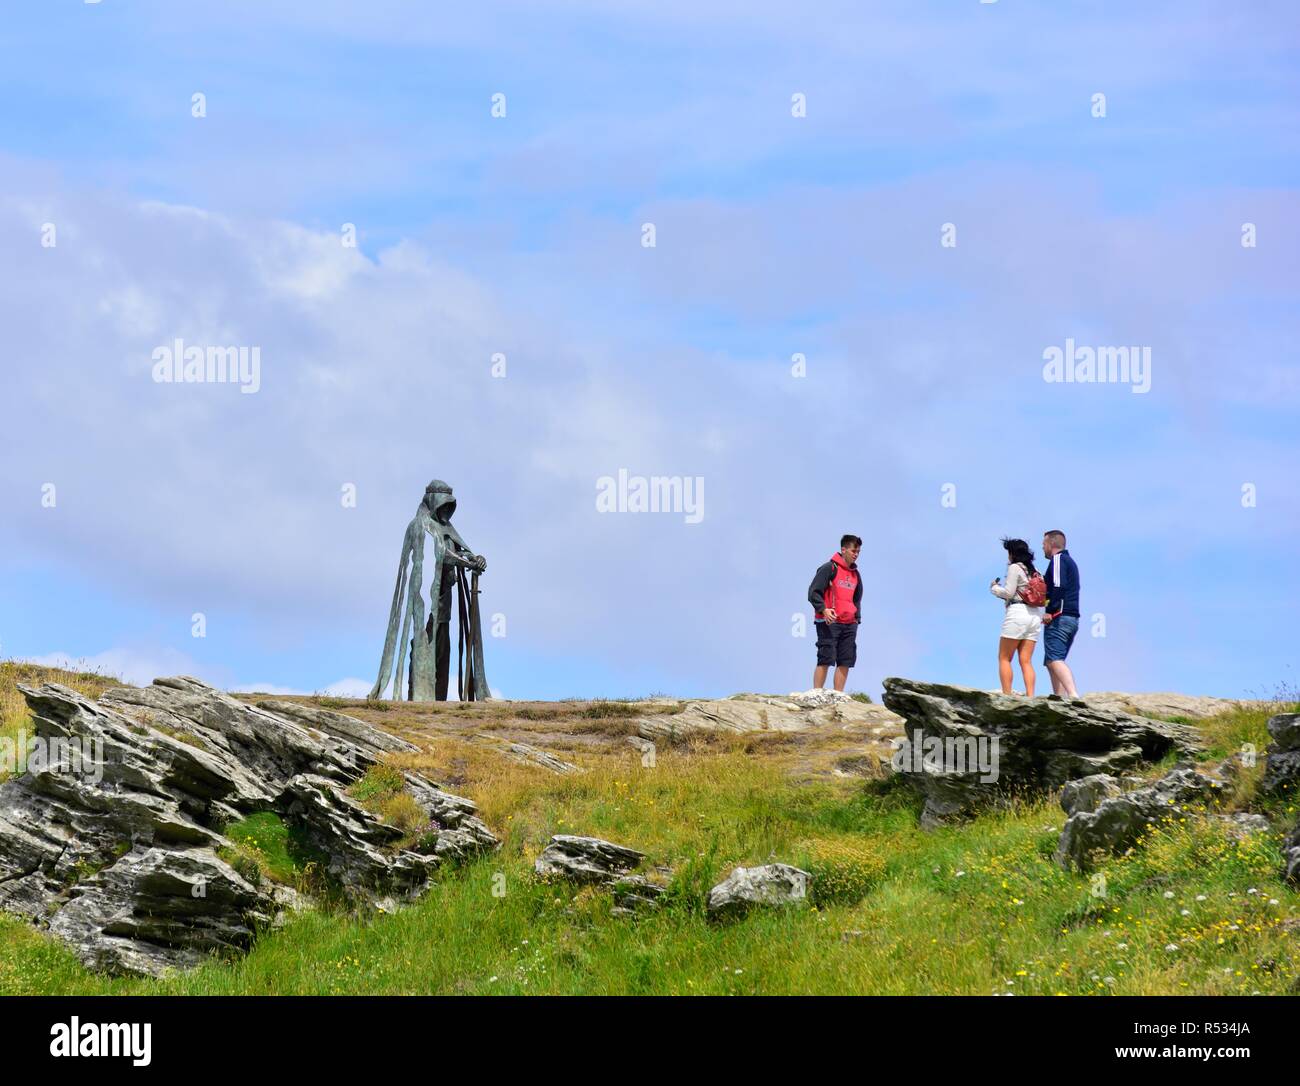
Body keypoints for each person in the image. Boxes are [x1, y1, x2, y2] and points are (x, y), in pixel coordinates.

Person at [807, 535, 863, 691]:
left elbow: (857, 599)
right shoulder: (829, 568)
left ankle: (838, 696)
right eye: (853, 550)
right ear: (843, 549)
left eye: (858, 551)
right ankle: (816, 693)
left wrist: (856, 619)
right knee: (826, 658)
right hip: (829, 621)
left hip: (849, 623)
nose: (856, 554)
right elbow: (813, 592)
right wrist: (823, 610)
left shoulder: (855, 574)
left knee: (846, 660)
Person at [989, 537, 1044, 696]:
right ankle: (1030, 695)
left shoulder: (1015, 568)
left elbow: (1009, 593)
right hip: (1034, 615)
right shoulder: (1036, 571)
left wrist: (994, 588)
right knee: (1026, 660)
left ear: (1012, 553)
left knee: (1004, 657)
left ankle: (1007, 695)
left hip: (1017, 613)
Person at [1041, 529, 1080, 698]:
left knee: (1055, 658)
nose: (1043, 548)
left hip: (1060, 617)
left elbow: (1058, 586)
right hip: (1071, 618)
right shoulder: (1070, 561)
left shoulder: (1058, 559)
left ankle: (1072, 694)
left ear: (1051, 543)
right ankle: (1059, 697)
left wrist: (1050, 610)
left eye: (1043, 544)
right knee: (1051, 660)